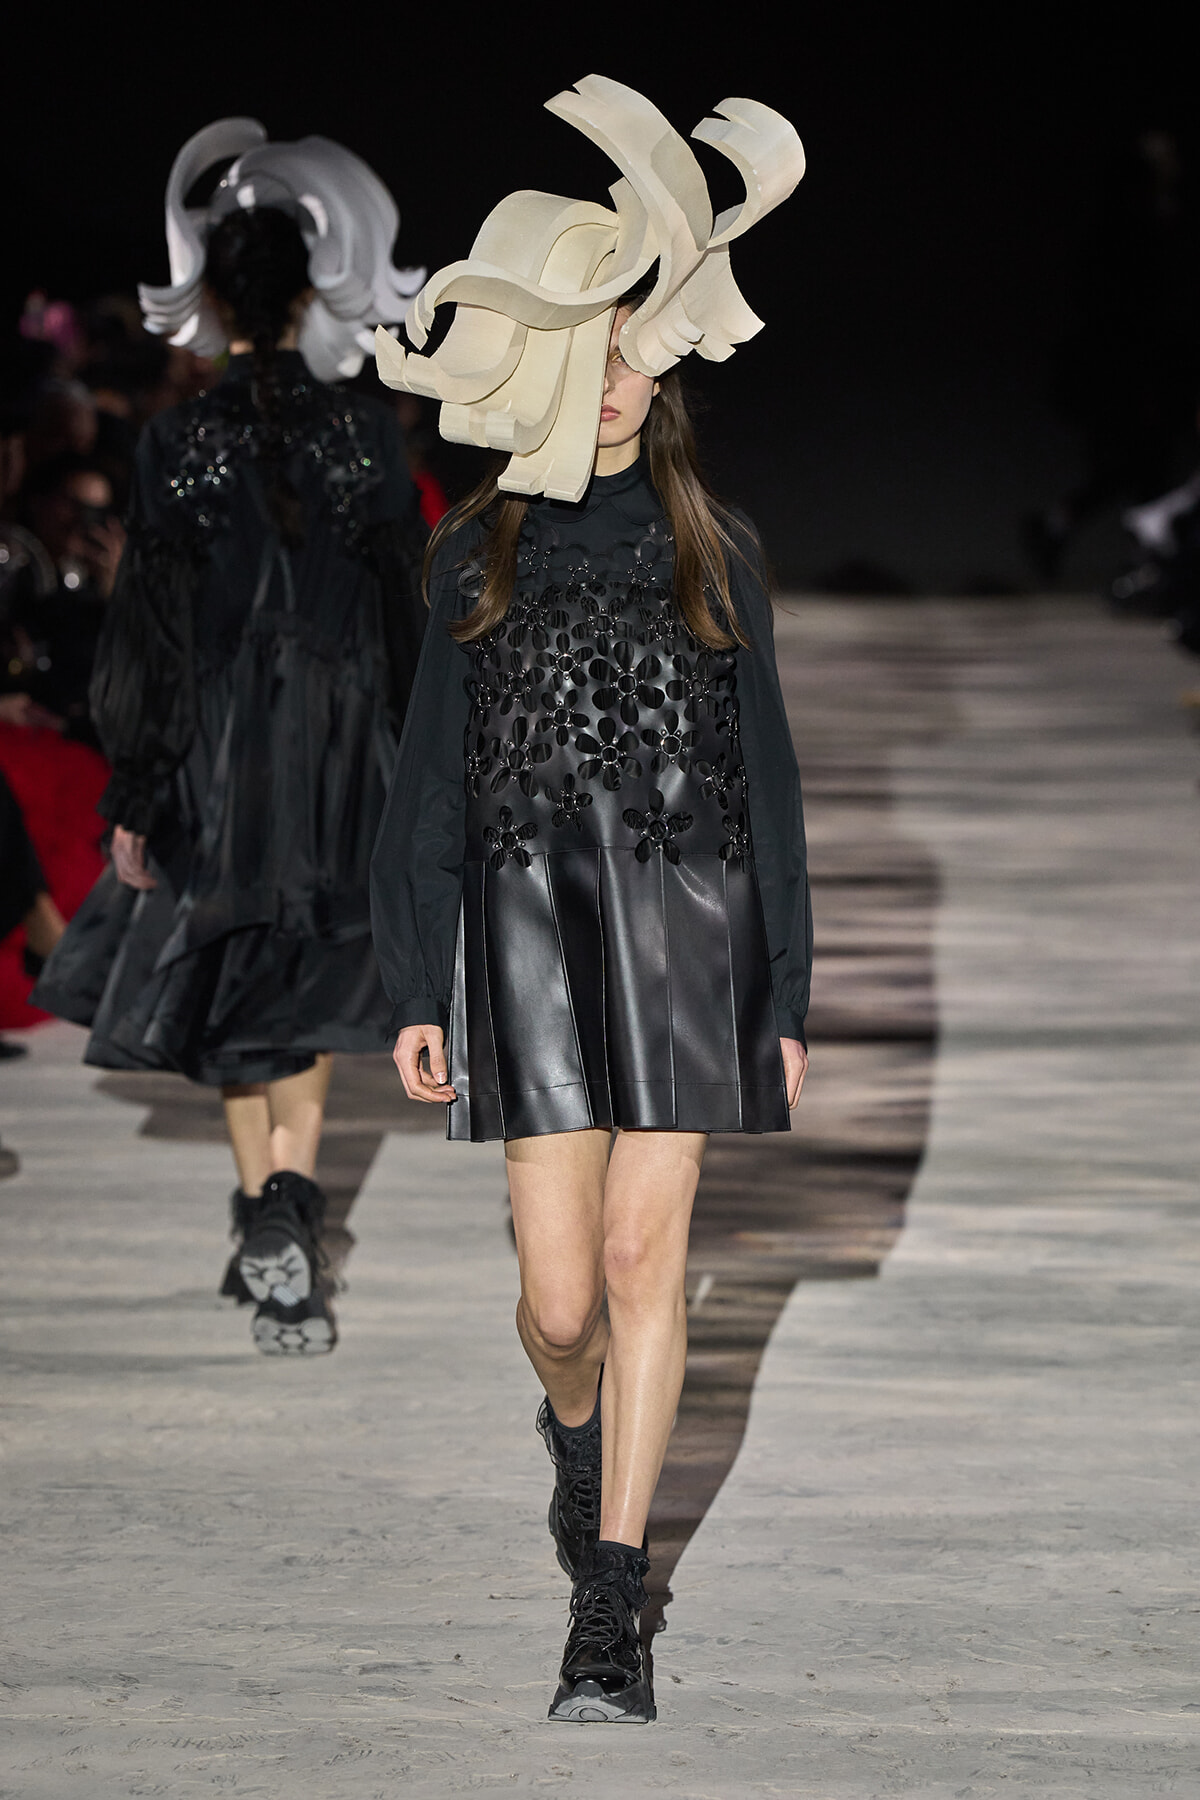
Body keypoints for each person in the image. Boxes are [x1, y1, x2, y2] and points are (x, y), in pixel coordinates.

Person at [370, 77, 808, 1721]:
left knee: (644, 1259)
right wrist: (415, 973)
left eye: (638, 344)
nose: (618, 377)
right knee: (561, 1306)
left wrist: (784, 994)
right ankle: (574, 1430)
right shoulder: (474, 556)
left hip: (684, 929)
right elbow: (427, 777)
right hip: (529, 942)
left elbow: (766, 782)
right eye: (590, 347)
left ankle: (611, 1606)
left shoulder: (714, 548)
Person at [33, 121, 427, 1356]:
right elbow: (398, 606)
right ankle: (282, 1213)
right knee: (299, 982)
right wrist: (420, 760)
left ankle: (266, 1208)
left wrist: (140, 779)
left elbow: (146, 627)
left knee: (236, 982)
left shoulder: (174, 444)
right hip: (336, 744)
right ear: (314, 289)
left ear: (212, 293)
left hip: (217, 745)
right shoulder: (362, 436)